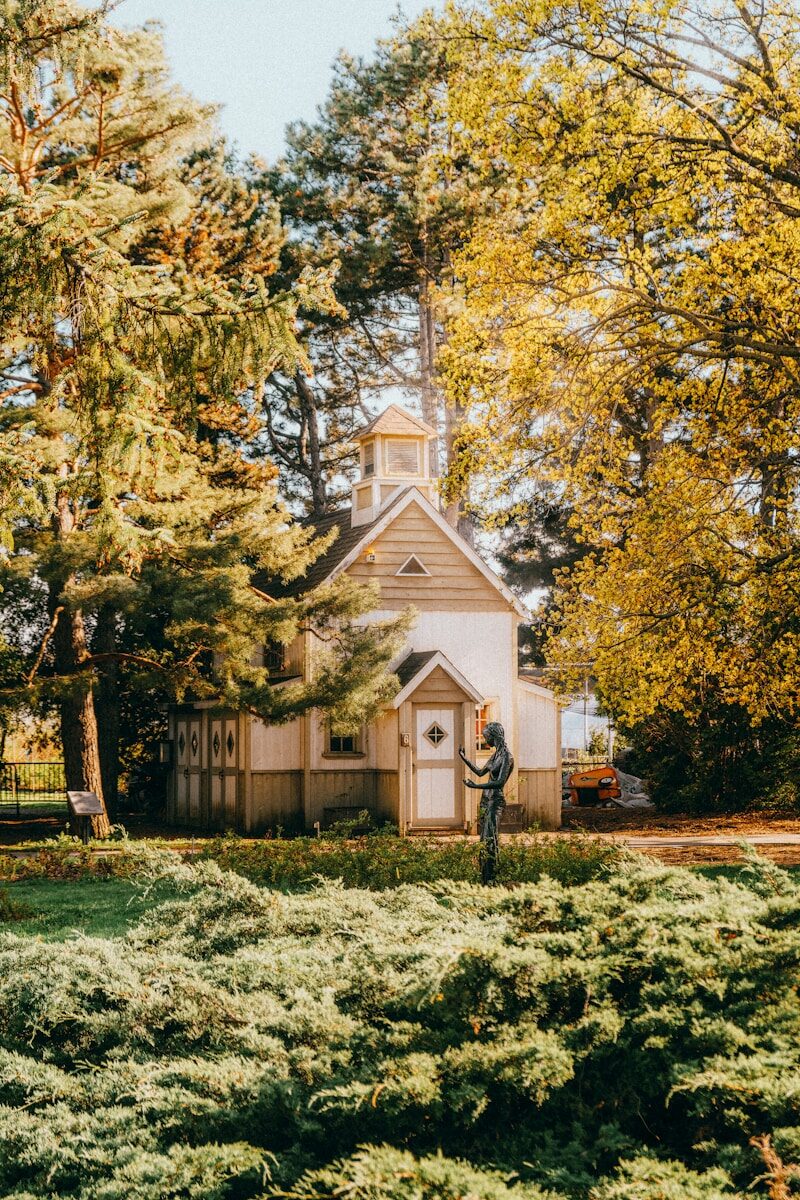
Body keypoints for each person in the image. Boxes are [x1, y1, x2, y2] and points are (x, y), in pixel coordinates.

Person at [459, 722, 513, 885]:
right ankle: (484, 876)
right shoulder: (495, 755)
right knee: (484, 839)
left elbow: (499, 782)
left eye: (486, 736)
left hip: (495, 801)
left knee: (491, 839)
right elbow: (480, 772)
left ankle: (492, 876)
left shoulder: (507, 757)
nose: (485, 739)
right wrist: (464, 758)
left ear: (494, 736)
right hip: (485, 800)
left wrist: (475, 786)